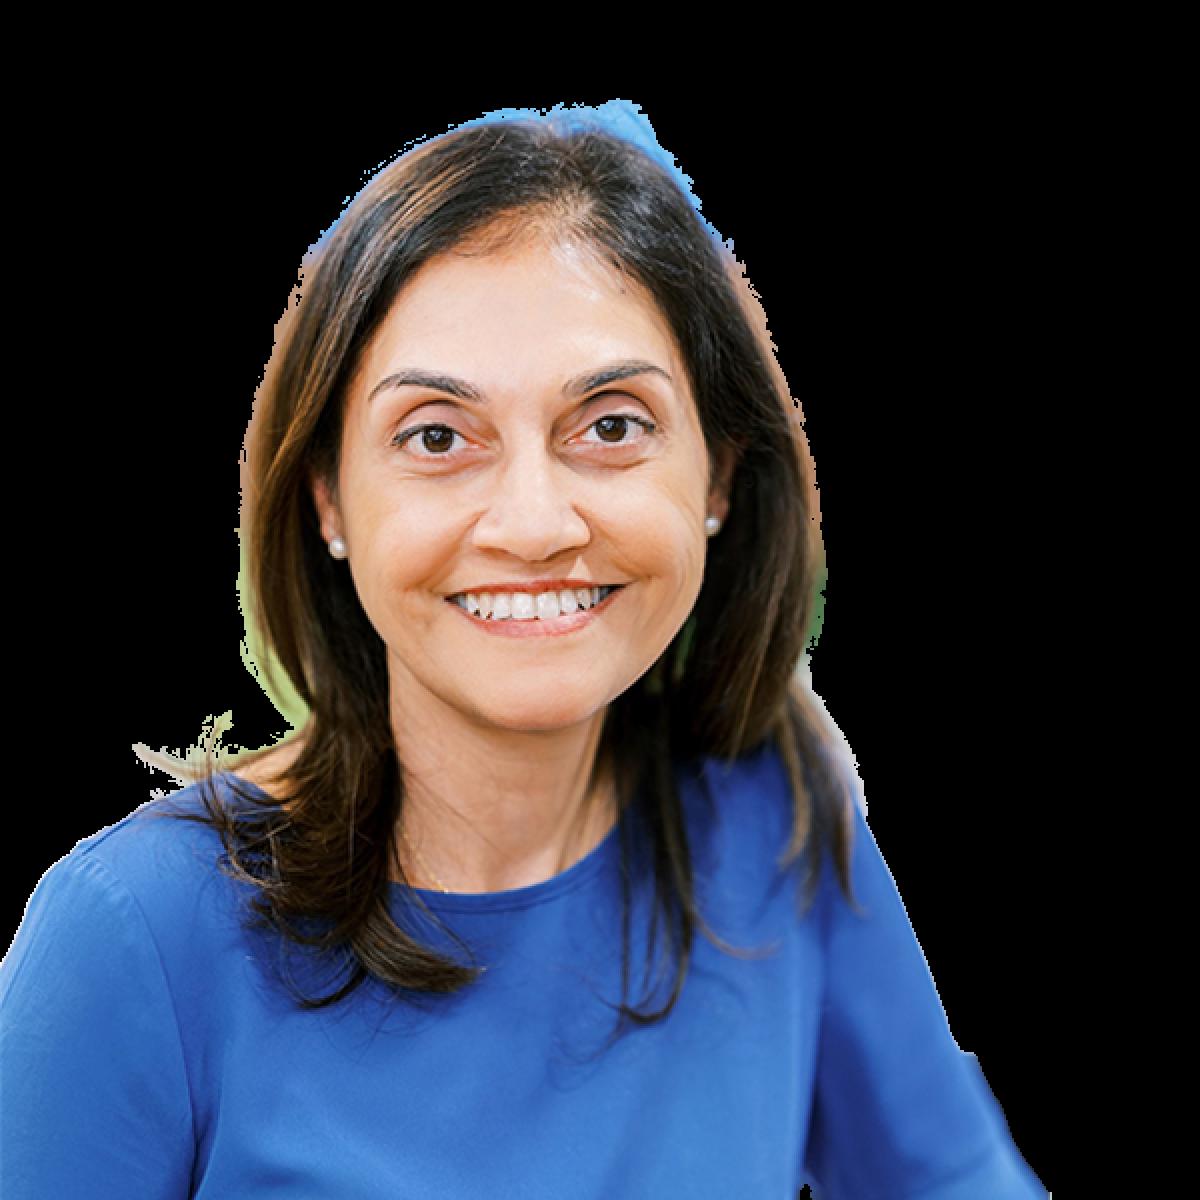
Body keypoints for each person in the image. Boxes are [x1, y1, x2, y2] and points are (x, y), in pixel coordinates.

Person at [0, 101, 1048, 1198]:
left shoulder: (771, 816)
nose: (536, 523)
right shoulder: (133, 941)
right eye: (439, 437)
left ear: (721, 477)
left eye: (611, 425)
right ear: (327, 501)